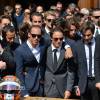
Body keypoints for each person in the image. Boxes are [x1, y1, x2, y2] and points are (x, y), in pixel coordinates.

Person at [15, 25, 47, 97]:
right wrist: (24, 92)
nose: (36, 38)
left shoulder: (43, 46)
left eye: (38, 36)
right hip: (28, 87)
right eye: (33, 35)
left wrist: (67, 47)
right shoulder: (20, 50)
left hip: (42, 87)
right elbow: (19, 73)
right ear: (29, 34)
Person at [44, 28, 75, 99]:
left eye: (61, 39)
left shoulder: (67, 51)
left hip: (62, 89)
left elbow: (71, 71)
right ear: (51, 38)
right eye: (56, 39)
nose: (58, 41)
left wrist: (68, 89)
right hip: (48, 88)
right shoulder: (46, 49)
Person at [75, 21, 100, 100]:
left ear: (93, 33)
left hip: (97, 82)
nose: (86, 38)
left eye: (88, 35)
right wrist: (77, 85)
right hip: (83, 83)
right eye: (84, 35)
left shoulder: (98, 43)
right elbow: (75, 67)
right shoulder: (78, 45)